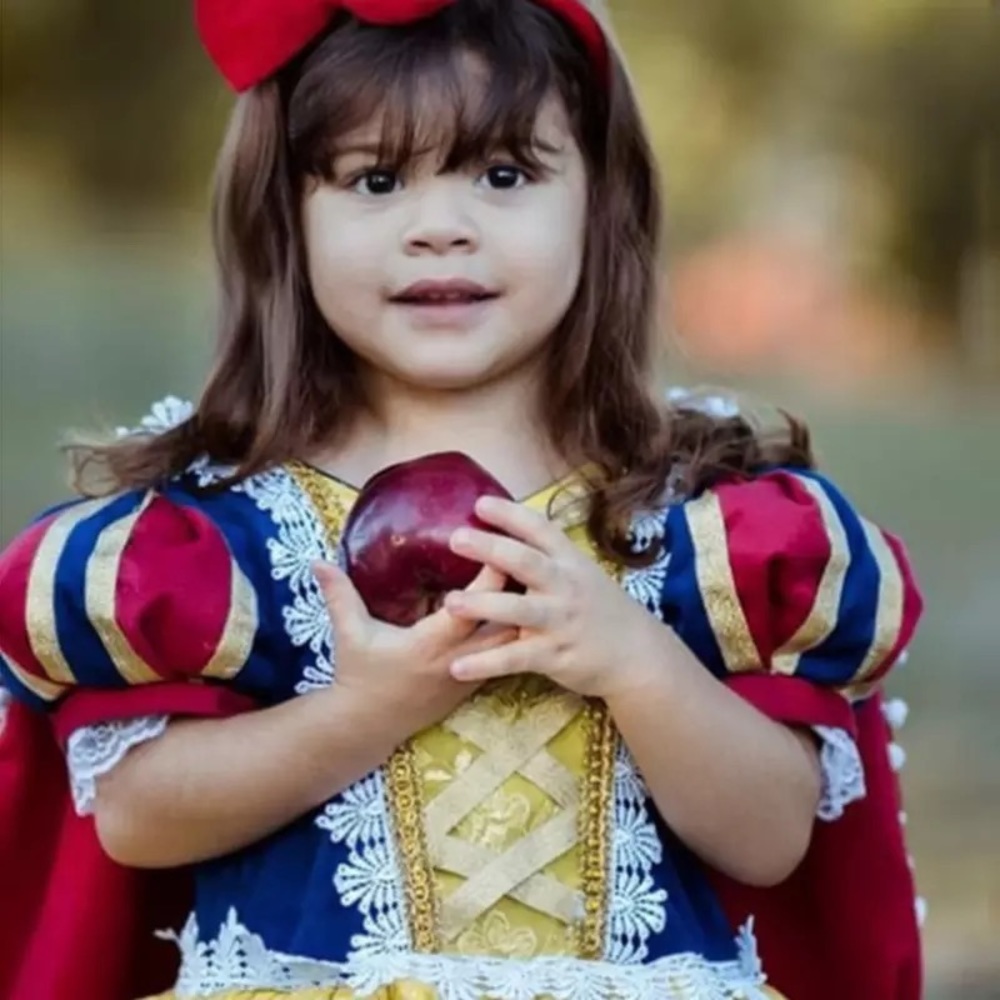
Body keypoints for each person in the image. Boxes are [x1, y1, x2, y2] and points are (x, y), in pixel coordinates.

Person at [0, 2, 924, 999]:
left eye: (504, 174)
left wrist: (635, 662)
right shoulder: (217, 531)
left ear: (600, 197)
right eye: (376, 180)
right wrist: (361, 713)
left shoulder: (698, 519)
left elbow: (772, 835)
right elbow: (137, 816)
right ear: (285, 215)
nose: (440, 228)